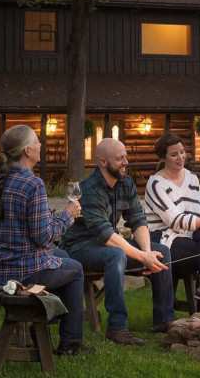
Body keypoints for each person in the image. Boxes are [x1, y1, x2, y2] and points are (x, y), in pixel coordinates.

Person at [0, 125, 90, 356]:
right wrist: (69, 214)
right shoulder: (33, 184)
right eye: (37, 141)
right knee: (76, 270)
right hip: (24, 273)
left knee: (63, 257)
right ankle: (70, 343)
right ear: (27, 151)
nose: (41, 145)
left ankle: (46, 323)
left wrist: (9, 243)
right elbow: (43, 236)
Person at [59, 138, 175, 346]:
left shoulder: (126, 183)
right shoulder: (89, 189)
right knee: (116, 254)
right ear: (103, 162)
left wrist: (147, 252)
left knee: (161, 252)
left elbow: (137, 220)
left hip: (106, 244)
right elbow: (103, 233)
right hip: (79, 248)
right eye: (120, 159)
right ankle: (117, 327)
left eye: (126, 157)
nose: (125, 162)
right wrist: (141, 257)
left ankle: (164, 320)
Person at [144, 133, 200, 311]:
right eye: (174, 154)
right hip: (165, 241)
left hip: (188, 237)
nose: (180, 157)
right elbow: (176, 221)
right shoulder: (156, 184)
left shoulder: (192, 178)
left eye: (182, 152)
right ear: (164, 157)